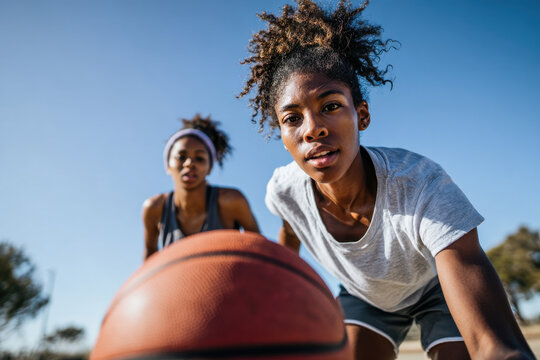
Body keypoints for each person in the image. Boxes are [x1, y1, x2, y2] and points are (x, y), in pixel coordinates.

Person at [239, 1, 535, 359]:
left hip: (436, 287)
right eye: (292, 118)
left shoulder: (419, 185)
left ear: (361, 115)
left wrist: (502, 353)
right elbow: (289, 235)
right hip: (365, 296)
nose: (313, 128)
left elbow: (495, 344)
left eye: (330, 106)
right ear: (283, 137)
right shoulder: (284, 190)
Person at [142, 114, 260, 260]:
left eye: (199, 158)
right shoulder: (154, 209)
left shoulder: (231, 201)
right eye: (181, 156)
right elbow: (149, 259)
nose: (189, 163)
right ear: (168, 165)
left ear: (209, 168)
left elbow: (261, 250)